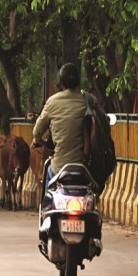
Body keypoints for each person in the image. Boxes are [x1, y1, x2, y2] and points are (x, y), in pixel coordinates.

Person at [31, 63, 89, 194]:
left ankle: (45, 206)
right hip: (83, 168)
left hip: (58, 167)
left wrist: (36, 141)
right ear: (78, 81)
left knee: (48, 182)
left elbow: (36, 132)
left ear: (61, 82)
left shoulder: (52, 101)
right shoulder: (88, 100)